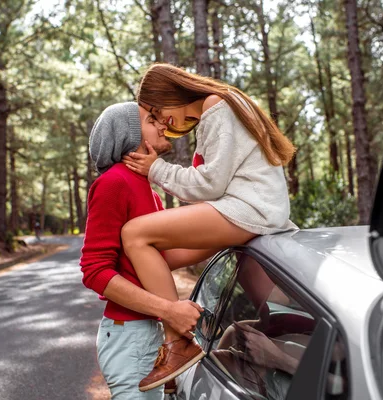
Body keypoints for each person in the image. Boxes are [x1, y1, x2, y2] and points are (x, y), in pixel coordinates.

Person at [120, 63, 298, 392]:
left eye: (158, 112)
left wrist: (156, 169)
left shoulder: (217, 105)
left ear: (170, 92)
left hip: (248, 209)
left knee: (134, 233)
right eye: (154, 119)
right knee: (162, 256)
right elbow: (214, 182)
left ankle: (176, 346)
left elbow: (210, 184)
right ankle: (168, 346)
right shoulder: (218, 109)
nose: (163, 123)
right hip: (245, 210)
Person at [80, 102, 218, 399]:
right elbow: (94, 271)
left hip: (147, 332)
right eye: (150, 120)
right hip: (129, 336)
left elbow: (164, 258)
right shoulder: (113, 183)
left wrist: (228, 236)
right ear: (131, 136)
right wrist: (169, 310)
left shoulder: (147, 188)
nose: (162, 124)